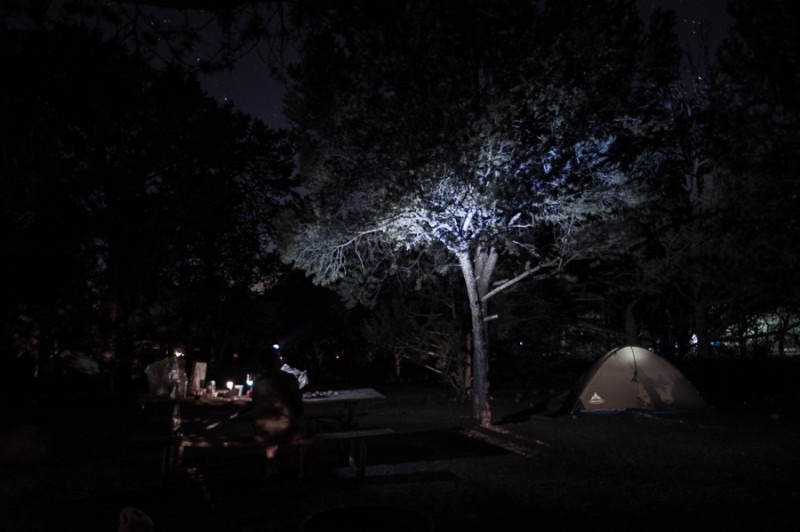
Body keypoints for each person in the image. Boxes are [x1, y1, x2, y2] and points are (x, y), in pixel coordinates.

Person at [251, 348, 305, 464]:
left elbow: (255, 404)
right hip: (284, 430)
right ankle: (302, 468)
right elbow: (298, 406)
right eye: (279, 358)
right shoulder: (289, 378)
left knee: (271, 430)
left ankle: (270, 467)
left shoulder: (258, 382)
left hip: (261, 431)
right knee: (307, 430)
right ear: (275, 361)